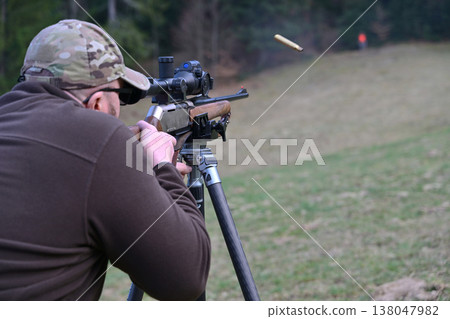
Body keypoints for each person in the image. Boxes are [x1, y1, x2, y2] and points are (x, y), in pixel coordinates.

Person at [0, 19, 210, 300]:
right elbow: (186, 279)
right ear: (98, 102)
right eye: (121, 97)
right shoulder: (97, 135)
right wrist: (164, 168)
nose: (119, 110)